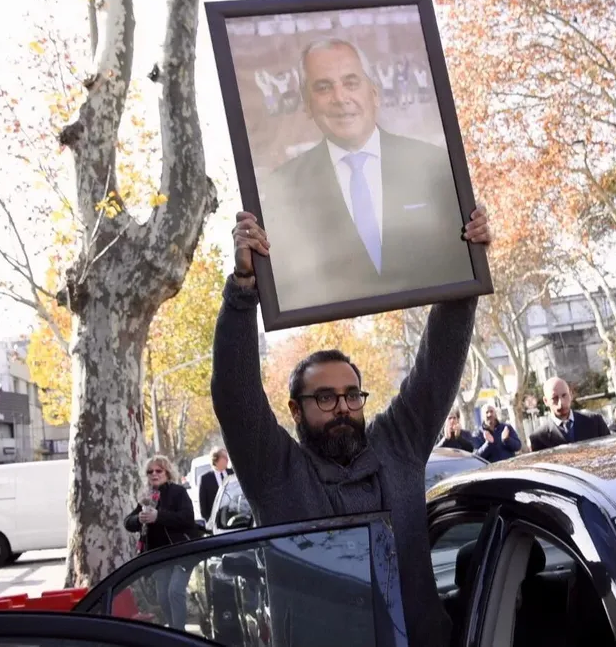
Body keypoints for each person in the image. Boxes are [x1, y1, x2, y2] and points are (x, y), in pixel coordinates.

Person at [210, 207, 491, 647]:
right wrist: (243, 289)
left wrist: (464, 264)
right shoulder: (276, 473)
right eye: (325, 397)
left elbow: (437, 366)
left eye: (351, 395)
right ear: (296, 411)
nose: (342, 407)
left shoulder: (398, 446)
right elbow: (235, 393)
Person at [259, 37, 474, 312]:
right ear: (307, 104)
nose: (340, 98)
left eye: (351, 83)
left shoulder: (435, 165)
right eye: (324, 87)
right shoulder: (283, 187)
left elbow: (459, 266)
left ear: (374, 93)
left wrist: (477, 244)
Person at [124, 455, 199, 631]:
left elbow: (188, 519)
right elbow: (128, 522)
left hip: (181, 552)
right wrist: (139, 519)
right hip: (158, 555)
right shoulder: (146, 495)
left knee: (175, 592)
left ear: (167, 472)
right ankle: (172, 632)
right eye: (150, 471)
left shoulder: (178, 492)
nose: (154, 474)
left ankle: (179, 634)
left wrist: (159, 516)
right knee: (163, 596)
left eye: (159, 470)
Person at [529, 377, 610, 453]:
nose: (561, 403)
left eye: (564, 395)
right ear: (546, 401)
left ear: (570, 394)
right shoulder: (539, 437)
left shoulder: (595, 422)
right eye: (554, 398)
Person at [197, 447, 233, 522]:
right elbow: (203, 507)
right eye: (224, 457)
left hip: (236, 516)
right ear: (216, 459)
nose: (227, 459)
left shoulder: (232, 473)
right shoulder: (205, 479)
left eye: (227, 457)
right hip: (217, 521)